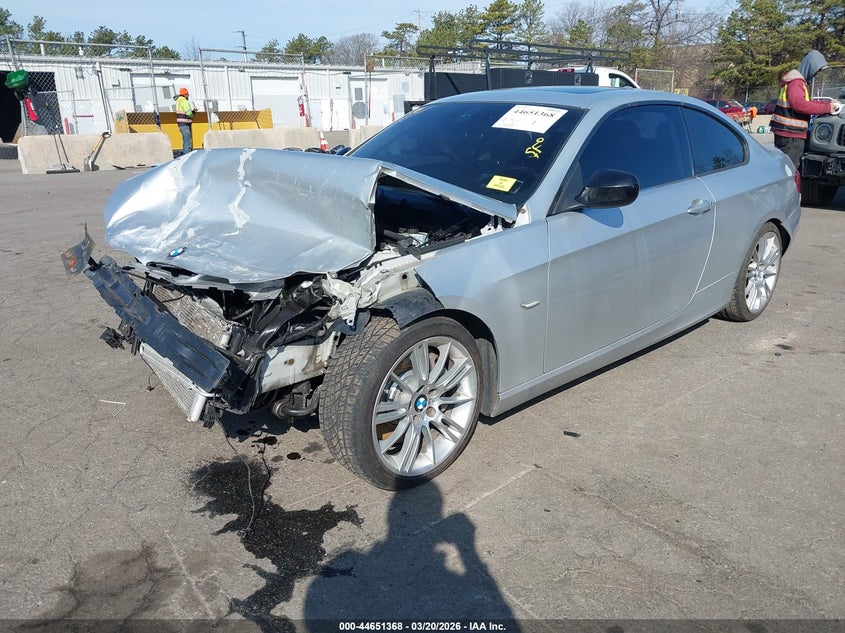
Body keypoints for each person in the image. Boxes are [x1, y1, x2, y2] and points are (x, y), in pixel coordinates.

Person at [770, 50, 838, 169]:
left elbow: (806, 102)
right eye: (816, 70)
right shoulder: (796, 82)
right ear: (810, 67)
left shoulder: (796, 81)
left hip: (788, 133)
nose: (816, 74)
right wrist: (827, 108)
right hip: (790, 135)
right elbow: (800, 105)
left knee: (786, 168)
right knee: (790, 169)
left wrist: (827, 103)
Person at [173, 87, 194, 156]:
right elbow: (189, 113)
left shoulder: (178, 101)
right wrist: (193, 113)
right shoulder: (184, 101)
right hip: (185, 124)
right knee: (187, 142)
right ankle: (187, 156)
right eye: (188, 94)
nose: (188, 96)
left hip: (181, 125)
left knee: (185, 141)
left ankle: (186, 155)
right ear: (185, 94)